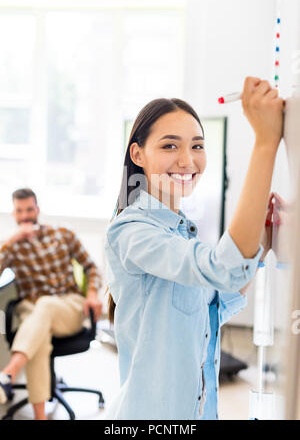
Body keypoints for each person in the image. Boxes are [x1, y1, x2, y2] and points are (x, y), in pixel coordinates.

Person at [104, 76, 284, 420]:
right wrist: (266, 142)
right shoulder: (131, 231)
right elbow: (225, 268)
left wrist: (263, 236)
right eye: (170, 146)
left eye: (197, 146)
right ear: (137, 154)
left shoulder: (181, 229)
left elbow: (215, 299)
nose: (187, 160)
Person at [0, 188, 103, 420]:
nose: (25, 216)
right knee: (39, 342)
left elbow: (91, 267)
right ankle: (40, 417)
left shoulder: (62, 234)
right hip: (31, 310)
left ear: (37, 209)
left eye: (29, 209)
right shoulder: (11, 246)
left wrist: (93, 292)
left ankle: (9, 372)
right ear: (13, 214)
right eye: (20, 211)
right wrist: (11, 241)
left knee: (45, 305)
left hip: (68, 305)